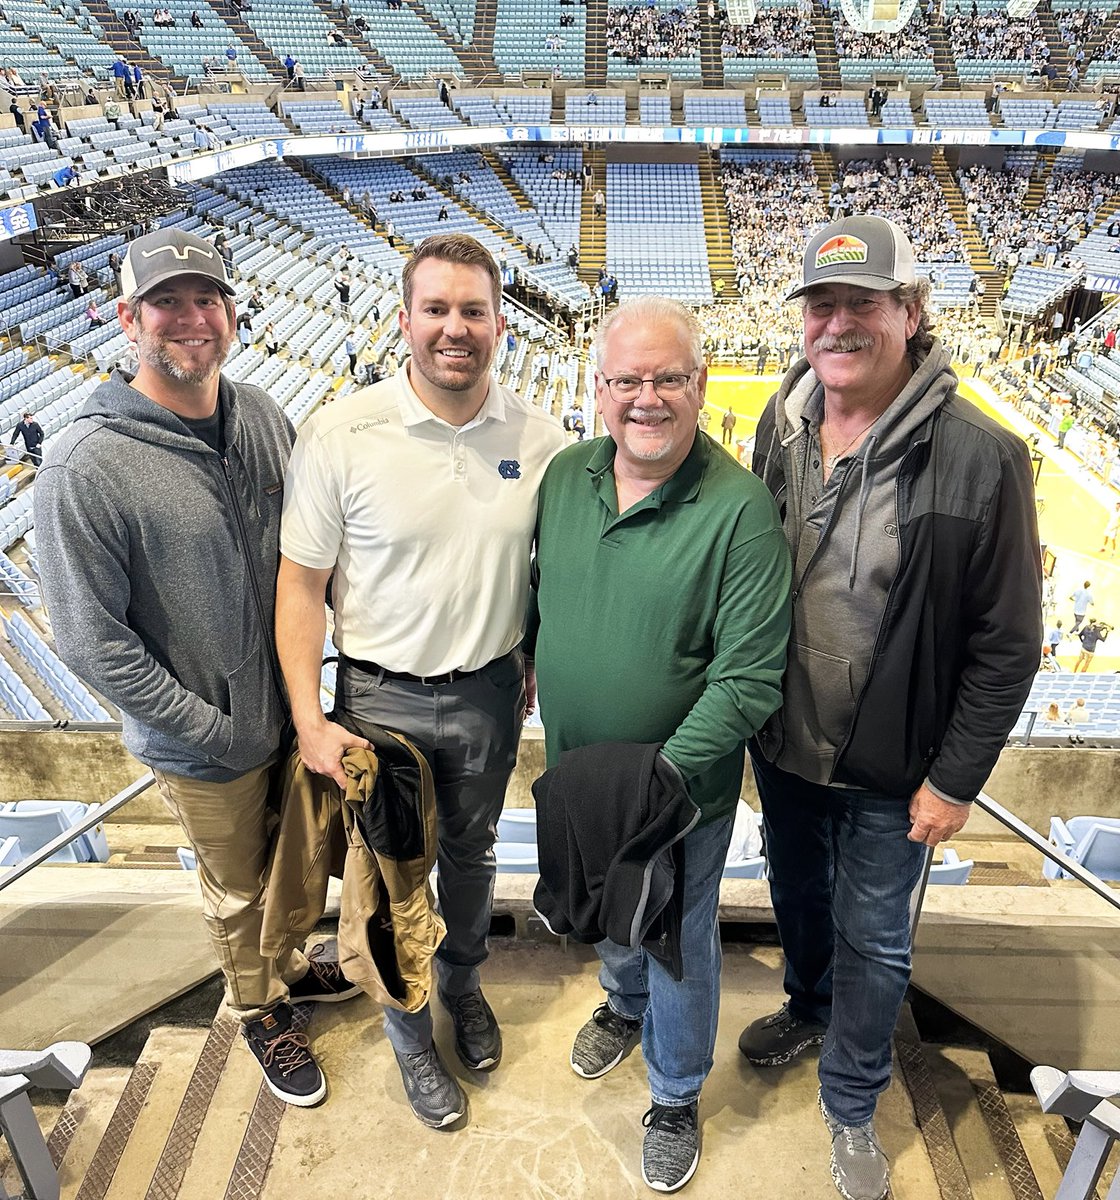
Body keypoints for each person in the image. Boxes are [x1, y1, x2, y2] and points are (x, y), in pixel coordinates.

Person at [742, 215, 1041, 1200]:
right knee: (799, 903)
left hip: (894, 767)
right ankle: (808, 1003)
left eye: (860, 304)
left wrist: (954, 777)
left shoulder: (980, 455)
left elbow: (1006, 644)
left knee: (878, 936)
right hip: (784, 745)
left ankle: (853, 1101)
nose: (836, 324)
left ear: (909, 313)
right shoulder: (777, 428)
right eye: (820, 305)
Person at [33, 228, 361, 1109]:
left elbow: (314, 549)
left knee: (291, 866)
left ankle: (287, 968)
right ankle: (258, 1009)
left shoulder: (258, 413)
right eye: (166, 303)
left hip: (289, 710)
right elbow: (89, 640)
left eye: (205, 299)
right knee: (237, 890)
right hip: (203, 740)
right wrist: (211, 726)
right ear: (126, 317)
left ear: (230, 312)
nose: (190, 320)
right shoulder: (84, 464)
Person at [274, 233, 565, 1130]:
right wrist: (311, 722)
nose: (455, 328)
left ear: (500, 326)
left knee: (472, 863)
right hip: (377, 703)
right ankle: (410, 1037)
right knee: (386, 883)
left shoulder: (543, 441)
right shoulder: (340, 432)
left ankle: (464, 988)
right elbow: (299, 583)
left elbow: (549, 572)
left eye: (473, 310)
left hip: (485, 696)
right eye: (436, 309)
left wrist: (527, 659)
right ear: (404, 320)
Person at [529, 297, 791, 1193]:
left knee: (679, 937)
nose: (648, 397)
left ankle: (675, 1091)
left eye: (668, 377)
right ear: (598, 390)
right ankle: (620, 1004)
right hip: (578, 778)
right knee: (612, 909)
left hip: (678, 795)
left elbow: (750, 678)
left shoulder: (742, 510)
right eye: (627, 380)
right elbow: (544, 606)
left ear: (700, 385)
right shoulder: (565, 477)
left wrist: (658, 777)